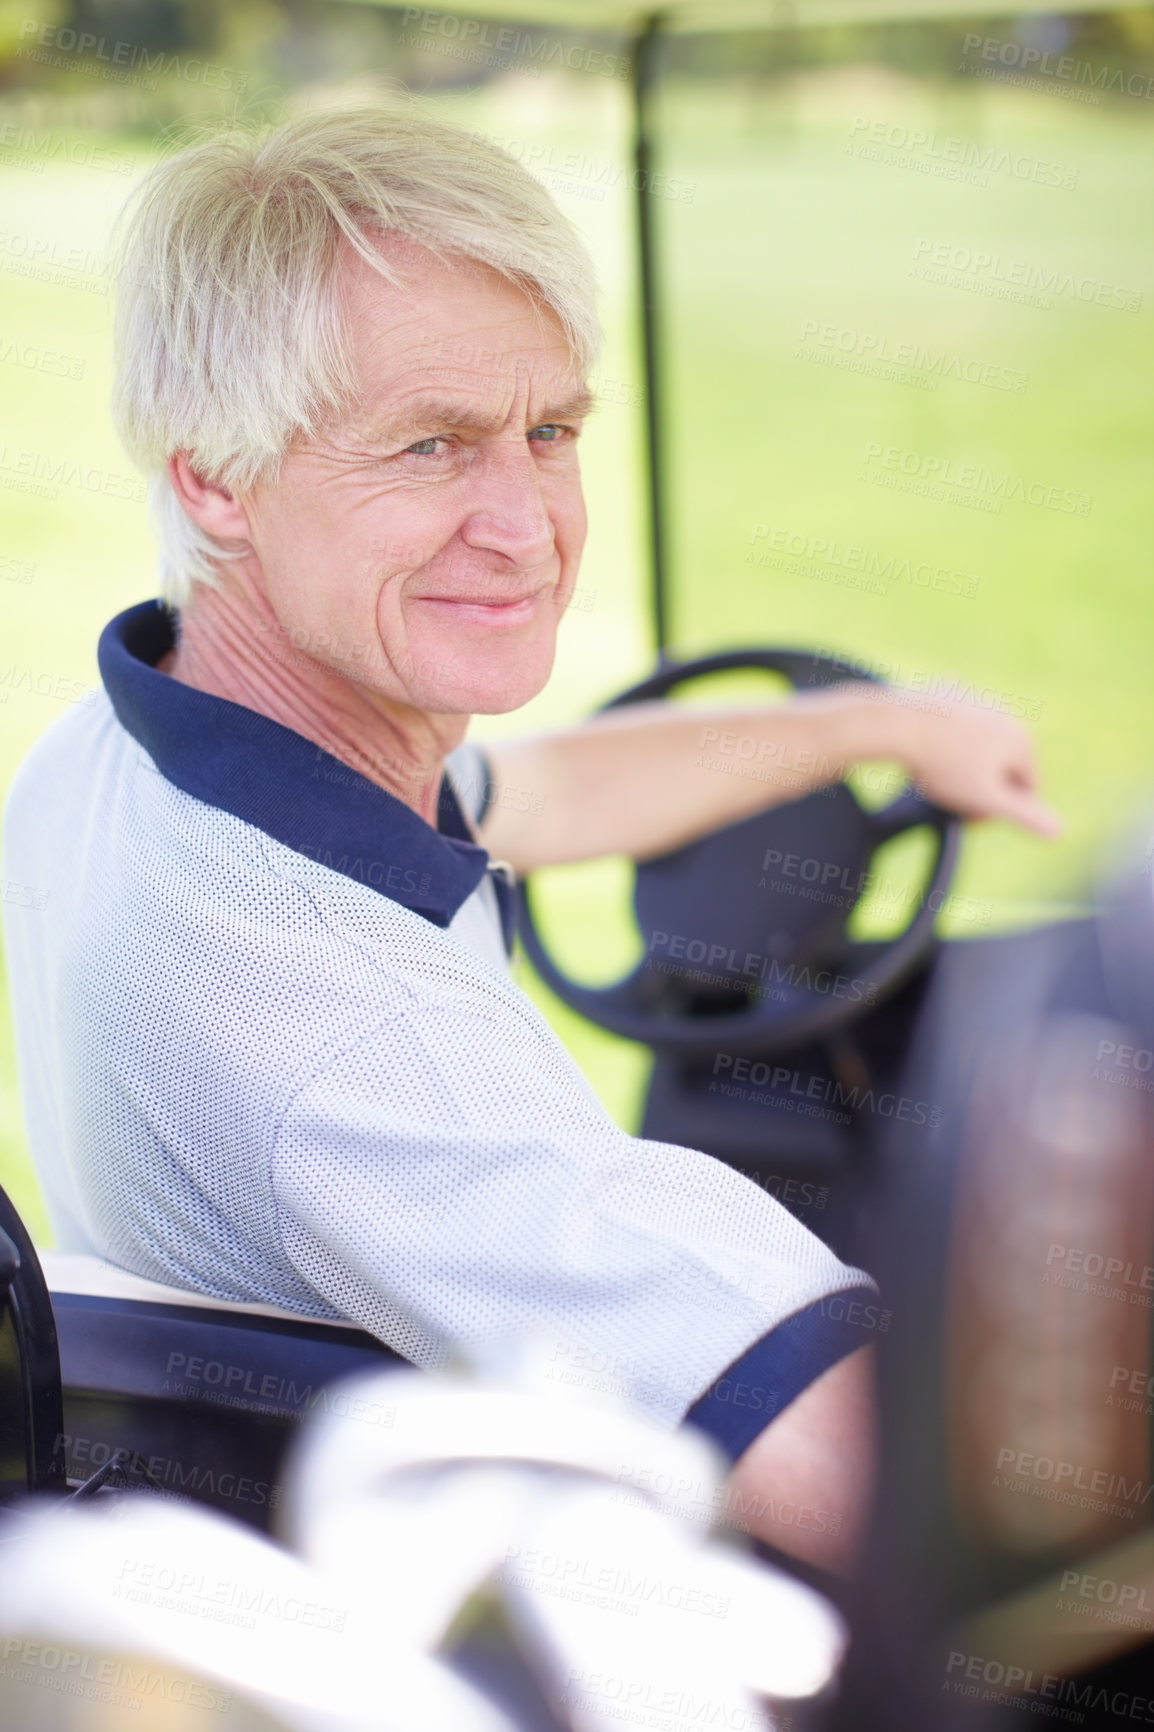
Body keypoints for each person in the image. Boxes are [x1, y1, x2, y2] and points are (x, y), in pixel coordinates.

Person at [1, 104, 1058, 1575]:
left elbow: (530, 796)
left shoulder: (140, 745)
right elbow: (889, 1484)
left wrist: (865, 731)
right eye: (430, 447)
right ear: (214, 479)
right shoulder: (363, 1052)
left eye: (547, 433)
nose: (527, 526)